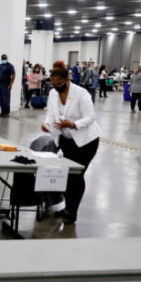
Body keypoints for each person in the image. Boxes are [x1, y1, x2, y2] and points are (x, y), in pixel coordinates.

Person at [40, 61, 101, 224]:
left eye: (59, 84)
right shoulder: (53, 93)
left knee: (76, 176)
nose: (56, 86)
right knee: (66, 176)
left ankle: (72, 212)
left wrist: (73, 124)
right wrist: (46, 125)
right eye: (53, 84)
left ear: (66, 80)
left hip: (86, 141)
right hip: (66, 139)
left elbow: (90, 117)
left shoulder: (81, 93)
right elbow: (50, 115)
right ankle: (68, 209)